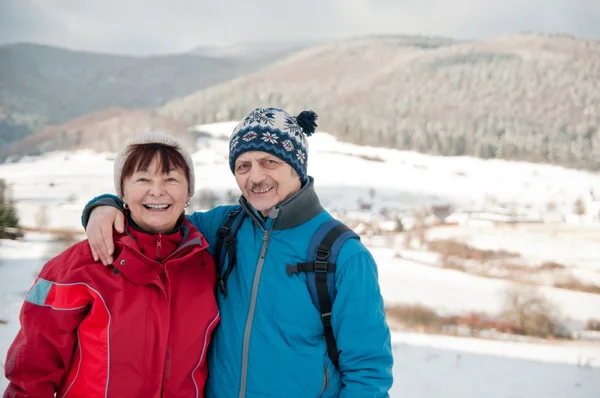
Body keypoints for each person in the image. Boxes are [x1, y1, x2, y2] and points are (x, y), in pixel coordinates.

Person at [81, 108, 394, 397]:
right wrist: (105, 205)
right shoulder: (223, 228)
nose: (255, 177)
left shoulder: (342, 254)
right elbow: (157, 219)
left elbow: (368, 372)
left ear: (297, 166)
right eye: (243, 166)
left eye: (270, 162)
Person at [3, 132, 219, 398]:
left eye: (171, 179)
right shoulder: (77, 267)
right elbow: (33, 370)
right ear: (122, 193)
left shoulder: (206, 264)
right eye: (143, 179)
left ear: (188, 193)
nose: (157, 190)